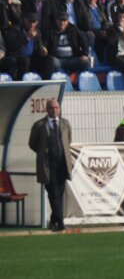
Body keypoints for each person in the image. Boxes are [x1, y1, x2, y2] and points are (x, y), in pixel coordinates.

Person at [28, 97, 71, 231]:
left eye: (56, 107)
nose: (54, 110)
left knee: (59, 194)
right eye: (51, 108)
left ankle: (53, 221)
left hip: (62, 165)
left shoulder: (65, 124)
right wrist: (42, 153)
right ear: (46, 110)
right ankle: (61, 222)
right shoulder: (39, 125)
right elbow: (32, 143)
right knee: (53, 193)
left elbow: (68, 140)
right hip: (47, 166)